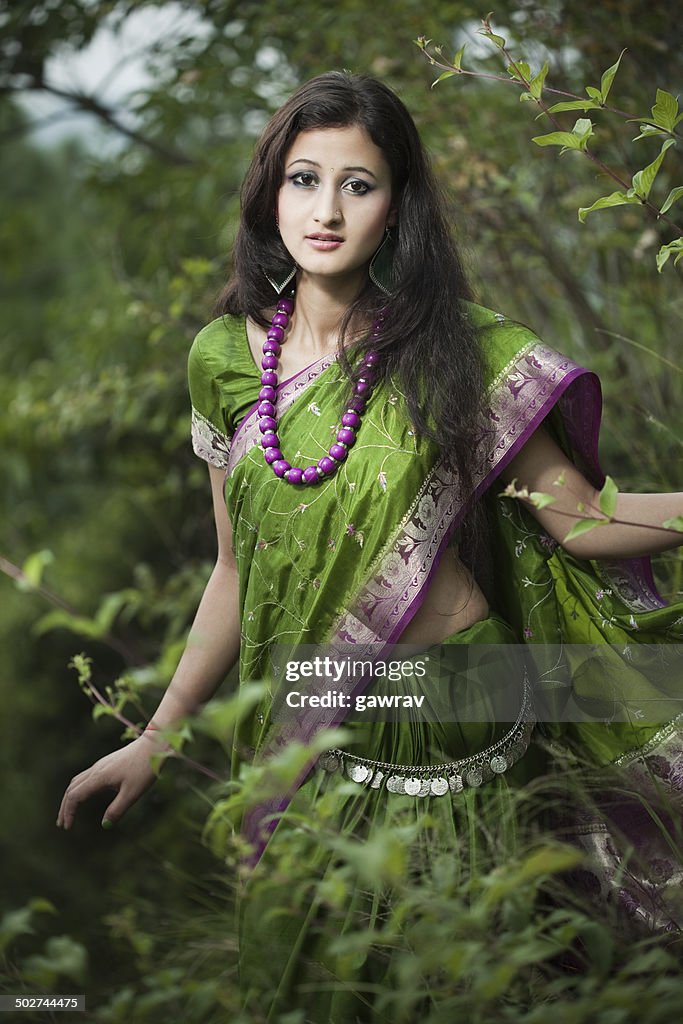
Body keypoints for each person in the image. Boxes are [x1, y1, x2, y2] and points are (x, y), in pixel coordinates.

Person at [58, 72, 683, 1019]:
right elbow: (234, 571)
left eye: (359, 184)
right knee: (316, 976)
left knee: (470, 980)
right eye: (305, 179)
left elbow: (582, 523)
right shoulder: (225, 360)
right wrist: (156, 734)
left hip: (461, 706)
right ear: (271, 193)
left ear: (396, 211)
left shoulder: (457, 351)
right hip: (315, 710)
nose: (326, 209)